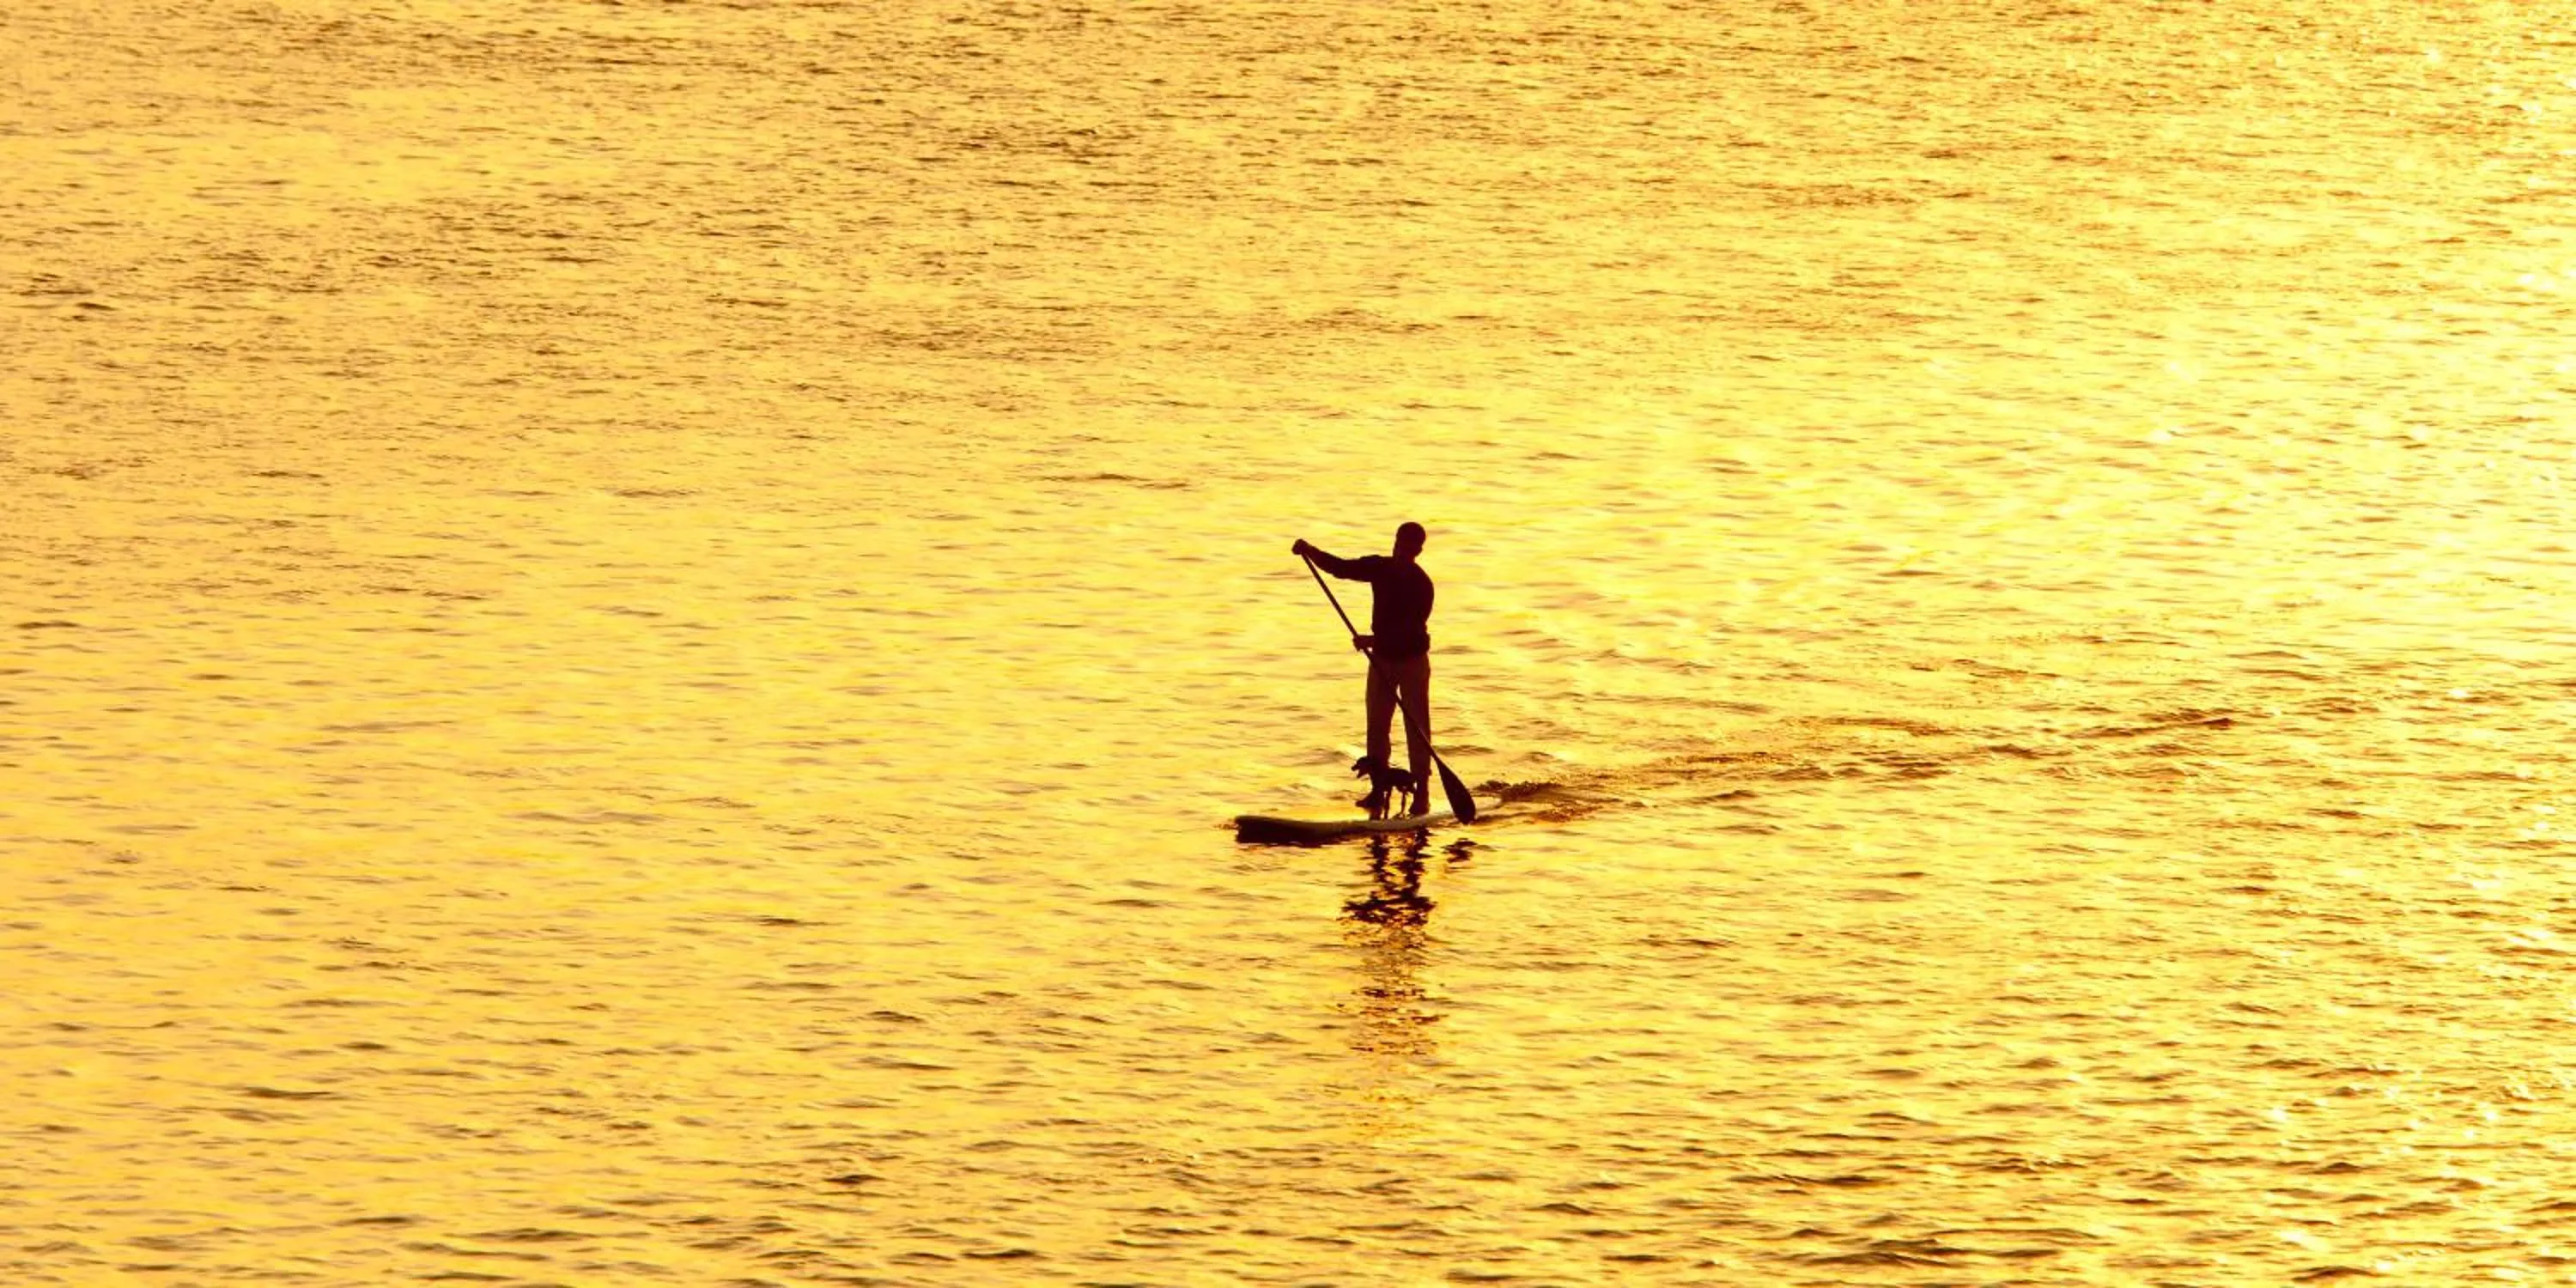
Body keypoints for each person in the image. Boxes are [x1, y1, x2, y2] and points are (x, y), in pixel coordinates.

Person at [1291, 523, 1436, 815]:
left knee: (1416, 726)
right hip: (1381, 658)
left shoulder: (1422, 585)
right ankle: (1378, 789)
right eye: (1399, 543)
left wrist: (1374, 639)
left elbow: (1412, 632)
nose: (1402, 550)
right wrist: (1310, 551)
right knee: (1377, 724)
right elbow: (1341, 568)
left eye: (1409, 546)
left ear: (1418, 550)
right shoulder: (1379, 568)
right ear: (1394, 541)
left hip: (1412, 661)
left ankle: (1423, 794)